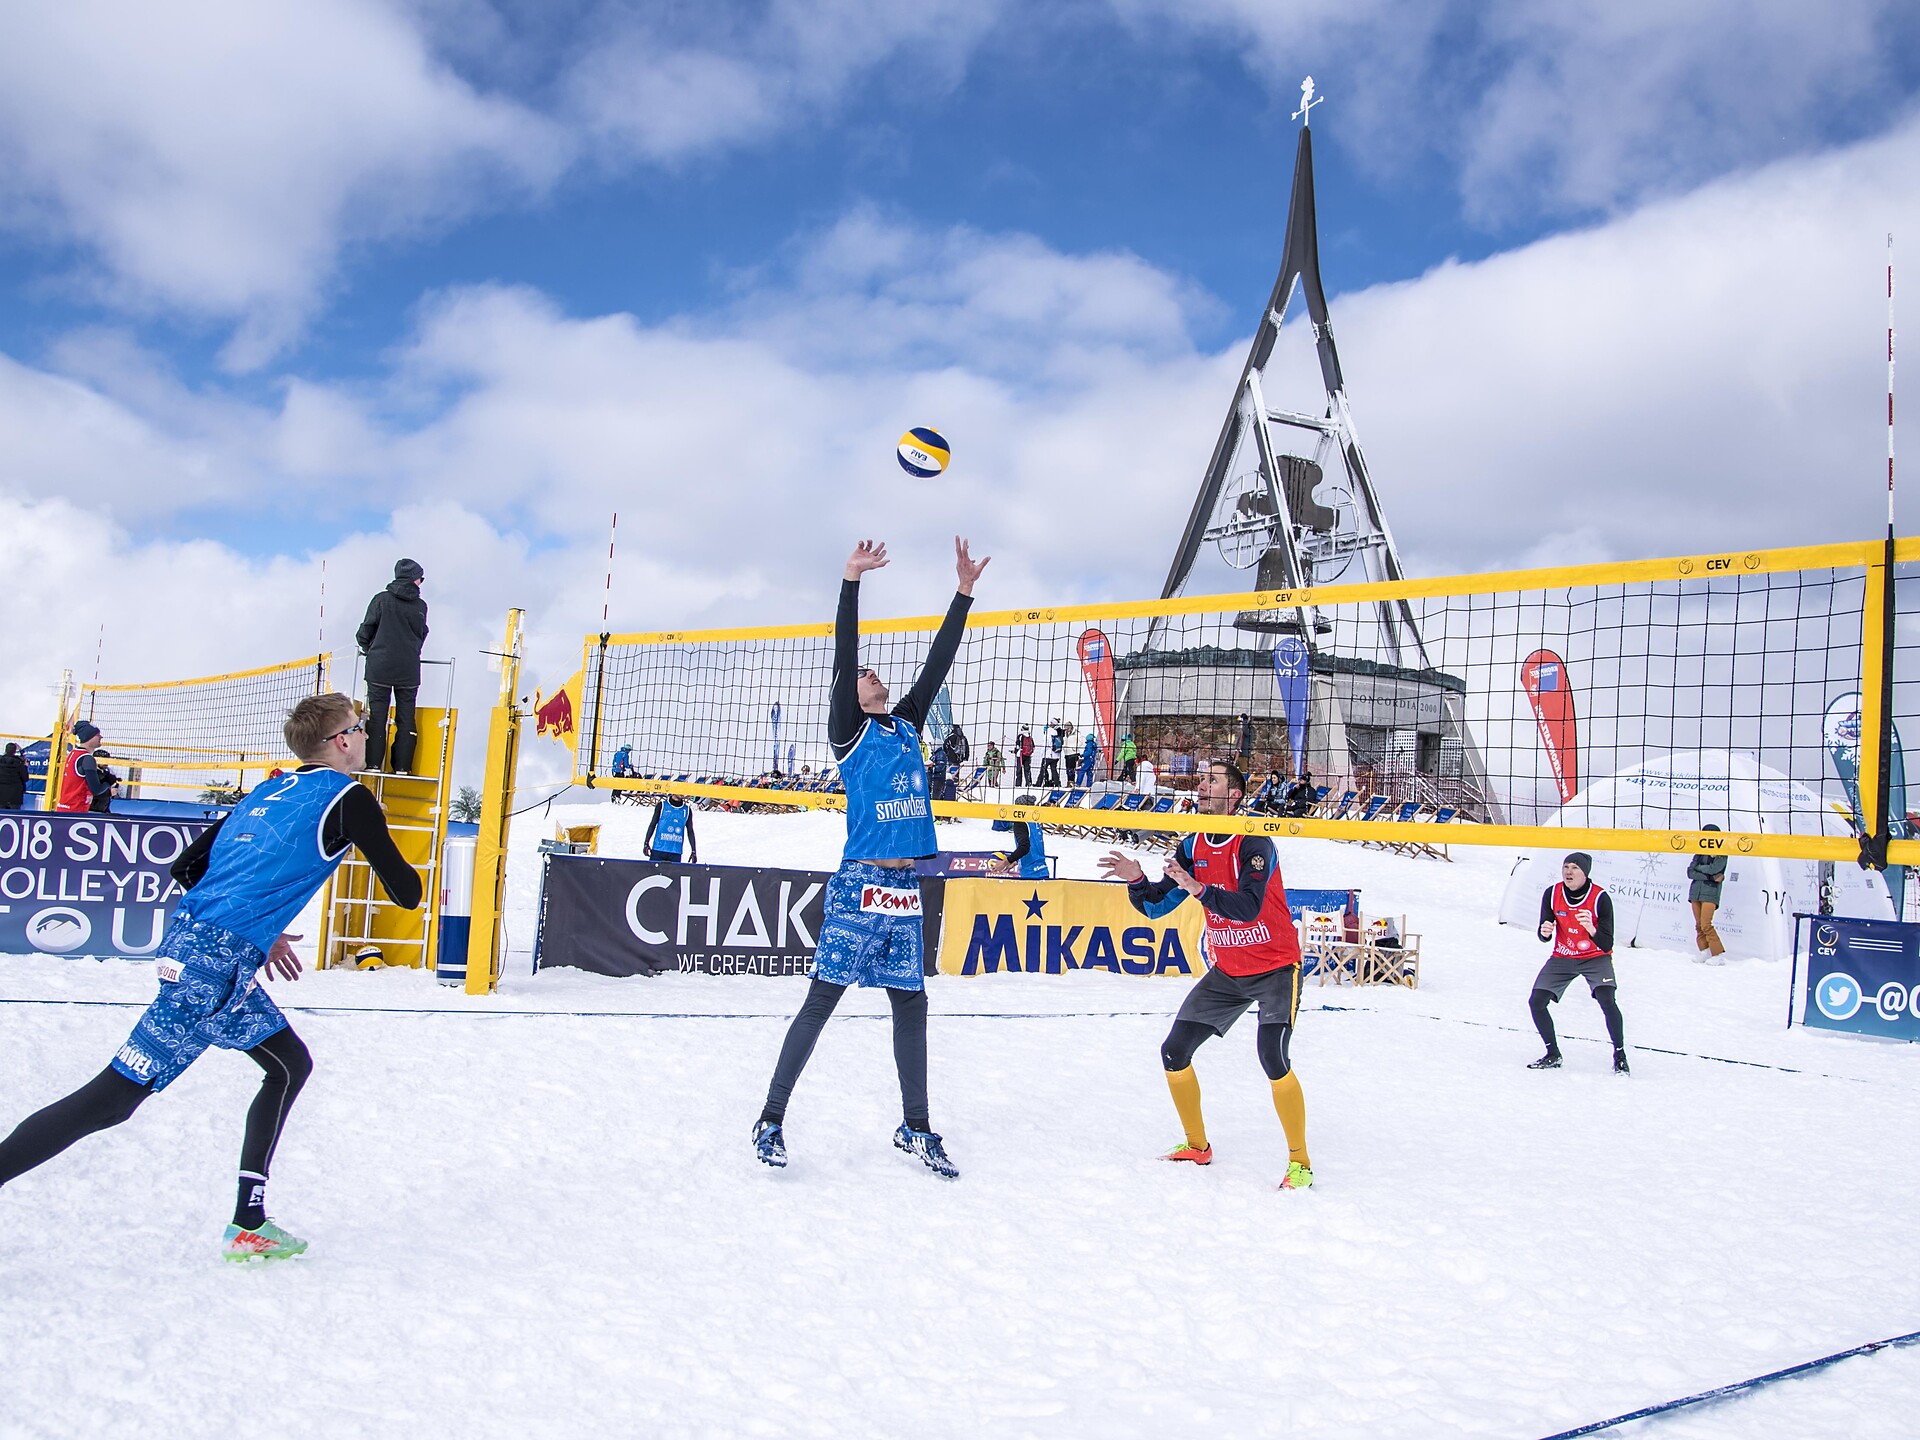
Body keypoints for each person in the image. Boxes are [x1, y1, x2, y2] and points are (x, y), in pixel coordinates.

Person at [0, 693, 423, 1259]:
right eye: (361, 726)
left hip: (199, 945)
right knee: (112, 1100)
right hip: (213, 965)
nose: (367, 734)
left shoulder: (267, 790)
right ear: (342, 740)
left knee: (289, 1065)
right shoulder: (350, 799)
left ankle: (249, 1222)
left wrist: (261, 928)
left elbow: (186, 866)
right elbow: (407, 893)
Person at [753, 536, 988, 1180]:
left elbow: (938, 663)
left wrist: (963, 593)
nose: (873, 675)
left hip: (905, 889)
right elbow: (845, 652)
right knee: (821, 1002)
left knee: (911, 1006)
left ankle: (917, 1127)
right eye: (865, 677)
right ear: (850, 696)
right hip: (860, 884)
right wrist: (851, 580)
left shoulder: (905, 722)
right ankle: (770, 1119)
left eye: (875, 674)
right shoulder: (849, 730)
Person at [1097, 760, 1313, 1190]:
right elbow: (1156, 905)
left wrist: (1199, 889)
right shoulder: (1192, 845)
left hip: (1276, 967)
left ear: (1234, 796)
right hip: (1229, 972)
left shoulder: (1254, 841)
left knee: (1273, 1058)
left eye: (1212, 780)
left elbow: (1247, 907)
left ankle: (1300, 1163)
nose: (1202, 785)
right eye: (1201, 779)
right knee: (1174, 1051)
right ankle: (1197, 1146)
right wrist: (1137, 880)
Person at [1527, 853, 1629, 1075]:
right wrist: (1544, 933)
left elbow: (1606, 943)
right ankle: (1553, 1054)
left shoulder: (1600, 898)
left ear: (1585, 873)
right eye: (1566, 866)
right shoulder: (1552, 893)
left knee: (1606, 998)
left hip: (1595, 956)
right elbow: (1544, 933)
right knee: (1536, 1002)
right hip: (1563, 956)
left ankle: (1620, 1055)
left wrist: (1591, 928)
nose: (1568, 872)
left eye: (1574, 868)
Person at [355, 558, 429, 773]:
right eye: (421, 578)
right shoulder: (421, 606)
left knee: (378, 716)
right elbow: (421, 635)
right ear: (414, 579)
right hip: (409, 669)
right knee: (406, 718)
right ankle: (402, 767)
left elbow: (365, 631)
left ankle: (373, 764)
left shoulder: (381, 600)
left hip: (379, 666)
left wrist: (372, 650)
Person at [56, 721, 114, 813]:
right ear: (89, 737)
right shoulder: (87, 758)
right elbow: (96, 790)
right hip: (76, 810)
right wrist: (108, 782)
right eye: (97, 735)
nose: (101, 737)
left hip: (64, 808)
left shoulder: (73, 753)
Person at [1688, 827, 1727, 962]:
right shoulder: (1699, 852)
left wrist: (1699, 869)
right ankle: (1704, 951)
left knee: (1706, 924)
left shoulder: (1721, 853)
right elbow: (1690, 872)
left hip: (1710, 892)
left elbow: (1714, 869)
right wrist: (1709, 876)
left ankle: (1718, 955)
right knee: (1699, 925)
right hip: (1695, 892)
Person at [989, 797, 1050, 880]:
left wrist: (1006, 862)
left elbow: (1024, 847)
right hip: (1042, 870)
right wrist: (1016, 861)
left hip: (1030, 874)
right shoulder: (1035, 823)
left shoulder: (1021, 823)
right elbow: (1033, 848)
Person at [645, 794, 698, 864]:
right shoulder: (662, 805)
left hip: (675, 852)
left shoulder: (687, 810)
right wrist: (646, 842)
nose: (682, 793)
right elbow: (652, 825)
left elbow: (690, 831)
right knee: (653, 871)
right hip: (658, 849)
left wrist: (693, 851)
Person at [0, 741, 30, 809]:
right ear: (15, 751)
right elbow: (25, 778)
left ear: (5, 750)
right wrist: (22, 752)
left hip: (1, 795)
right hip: (15, 796)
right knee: (14, 814)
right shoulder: (20, 762)